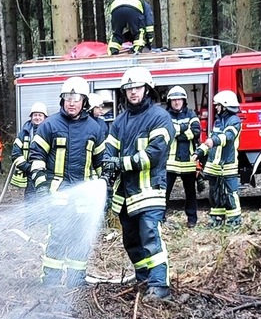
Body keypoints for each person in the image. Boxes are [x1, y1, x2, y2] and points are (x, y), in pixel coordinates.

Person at [103, 66, 175, 301]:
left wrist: (120, 164)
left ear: (147, 89)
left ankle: (159, 285)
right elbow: (109, 151)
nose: (133, 92)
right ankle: (143, 278)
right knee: (131, 240)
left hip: (149, 190)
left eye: (137, 87)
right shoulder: (120, 121)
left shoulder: (160, 117)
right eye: (129, 88)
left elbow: (154, 154)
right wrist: (107, 171)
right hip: (125, 194)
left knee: (150, 236)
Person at [28, 77, 105, 287]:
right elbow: (36, 157)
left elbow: (101, 163)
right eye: (67, 98)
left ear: (84, 102)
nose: (71, 102)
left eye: (76, 98)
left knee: (81, 240)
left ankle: (75, 280)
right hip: (58, 195)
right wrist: (42, 185)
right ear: (62, 100)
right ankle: (50, 281)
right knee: (58, 238)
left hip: (84, 199)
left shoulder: (95, 128)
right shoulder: (49, 125)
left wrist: (105, 186)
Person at [193, 90, 242, 227]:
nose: (216, 107)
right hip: (214, 165)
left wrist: (213, 141)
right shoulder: (218, 122)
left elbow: (228, 136)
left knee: (230, 193)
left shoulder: (234, 121)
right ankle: (217, 218)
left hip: (227, 164)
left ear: (225, 106)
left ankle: (235, 221)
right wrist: (198, 152)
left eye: (218, 105)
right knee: (215, 193)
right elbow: (209, 142)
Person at [164, 86, 201, 228]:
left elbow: (196, 131)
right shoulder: (165, 116)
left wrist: (177, 132)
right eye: (174, 100)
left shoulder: (191, 114)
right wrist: (184, 129)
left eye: (179, 99)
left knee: (190, 193)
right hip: (170, 163)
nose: (176, 102)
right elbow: (167, 133)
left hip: (188, 162)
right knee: (164, 192)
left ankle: (192, 219)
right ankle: (161, 218)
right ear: (170, 102)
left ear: (184, 100)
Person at [10, 102, 48, 201]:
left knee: (46, 201)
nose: (37, 117)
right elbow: (15, 153)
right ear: (31, 117)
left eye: (40, 115)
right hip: (30, 174)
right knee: (30, 201)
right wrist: (28, 167)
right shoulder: (24, 132)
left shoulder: (50, 131)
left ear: (45, 117)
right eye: (35, 115)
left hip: (47, 173)